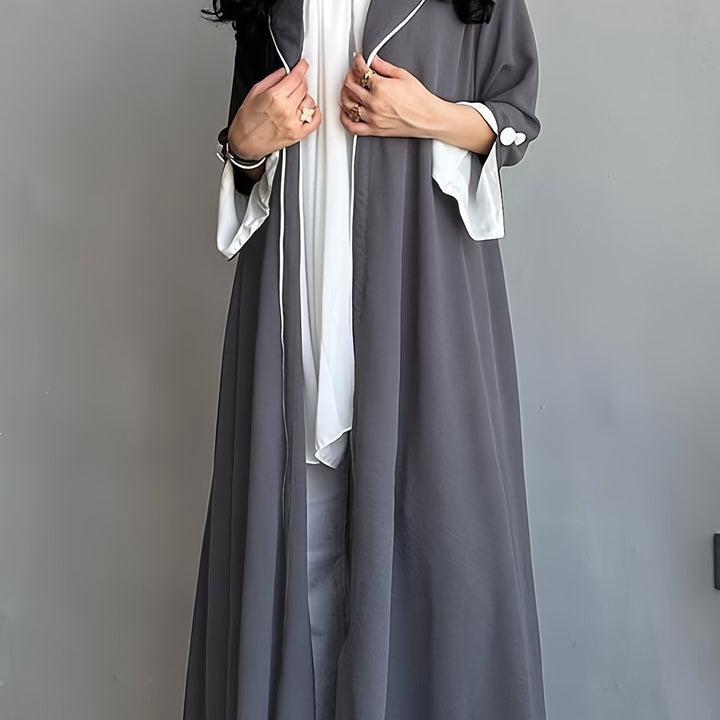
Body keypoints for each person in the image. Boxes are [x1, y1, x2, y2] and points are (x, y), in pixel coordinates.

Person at [184, 1, 546, 719]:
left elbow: (516, 118)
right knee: (296, 586)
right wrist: (243, 145)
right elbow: (251, 145)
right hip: (294, 328)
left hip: (423, 316)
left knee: (441, 572)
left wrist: (429, 114)